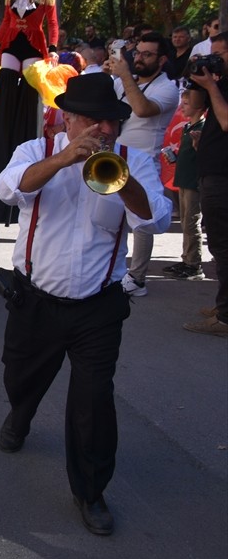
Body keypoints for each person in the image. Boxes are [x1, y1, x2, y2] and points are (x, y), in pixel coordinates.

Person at [0, 72, 170, 535]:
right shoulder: (36, 151)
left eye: (112, 122)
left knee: (94, 400)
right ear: (68, 119)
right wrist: (63, 160)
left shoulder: (136, 160)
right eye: (95, 121)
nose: (105, 131)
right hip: (35, 299)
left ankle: (90, 492)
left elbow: (154, 220)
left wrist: (122, 178)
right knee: (20, 374)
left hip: (97, 305)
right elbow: (7, 189)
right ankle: (21, 413)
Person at [0, 0, 59, 228]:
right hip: (12, 45)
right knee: (6, 75)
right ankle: (5, 114)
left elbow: (52, 25)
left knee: (29, 81)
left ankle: (25, 117)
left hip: (34, 46)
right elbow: (6, 23)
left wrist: (52, 49)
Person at [105, 31, 179, 296]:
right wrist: (109, 74)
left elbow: (142, 109)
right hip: (117, 155)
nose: (139, 58)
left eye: (147, 54)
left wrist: (124, 75)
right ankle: (114, 269)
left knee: (142, 221)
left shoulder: (167, 87)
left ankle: (137, 279)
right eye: (138, 52)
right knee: (112, 216)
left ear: (161, 60)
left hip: (144, 160)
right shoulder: (127, 80)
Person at [185, 31, 228, 337]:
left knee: (224, 248)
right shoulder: (221, 83)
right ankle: (224, 305)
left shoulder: (221, 86)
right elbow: (198, 107)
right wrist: (199, 77)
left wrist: (212, 85)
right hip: (213, 172)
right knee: (221, 246)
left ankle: (225, 318)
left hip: (223, 179)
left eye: (220, 55)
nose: (215, 59)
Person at [162, 87, 206, 282]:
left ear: (198, 107)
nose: (182, 107)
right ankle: (186, 259)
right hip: (184, 179)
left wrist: (198, 148)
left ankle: (194, 264)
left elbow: (205, 156)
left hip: (192, 182)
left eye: (186, 104)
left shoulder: (201, 129)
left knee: (191, 223)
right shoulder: (189, 127)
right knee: (186, 222)